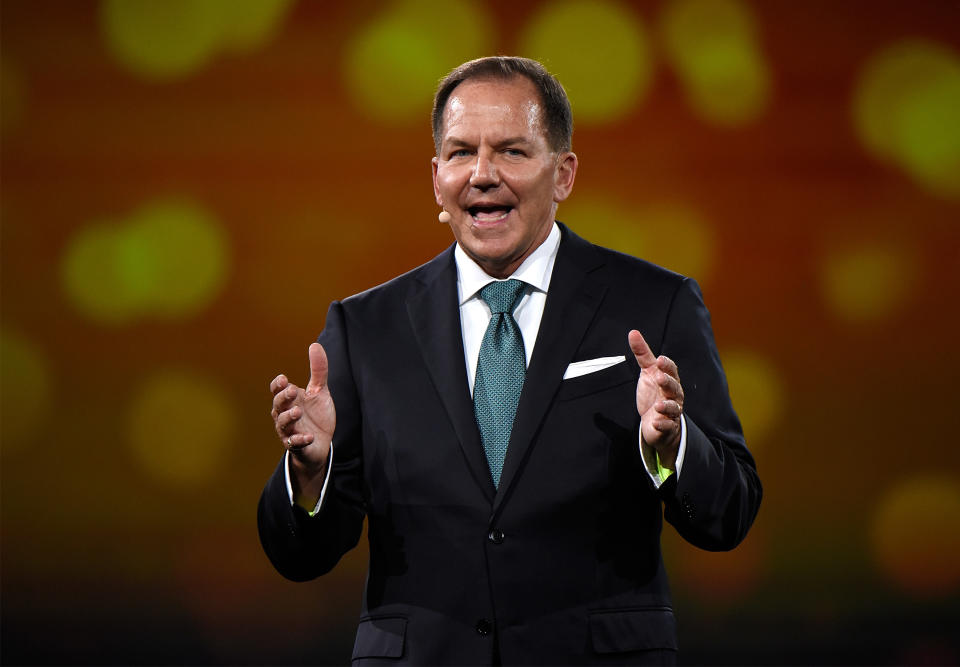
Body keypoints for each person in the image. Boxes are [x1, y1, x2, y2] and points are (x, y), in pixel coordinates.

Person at [258, 56, 761, 665]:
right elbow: (301, 556)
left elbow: (729, 514)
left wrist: (671, 448)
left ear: (564, 173)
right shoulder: (365, 328)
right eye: (461, 152)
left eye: (513, 152)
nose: (483, 174)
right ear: (437, 175)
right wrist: (313, 472)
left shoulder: (655, 305)